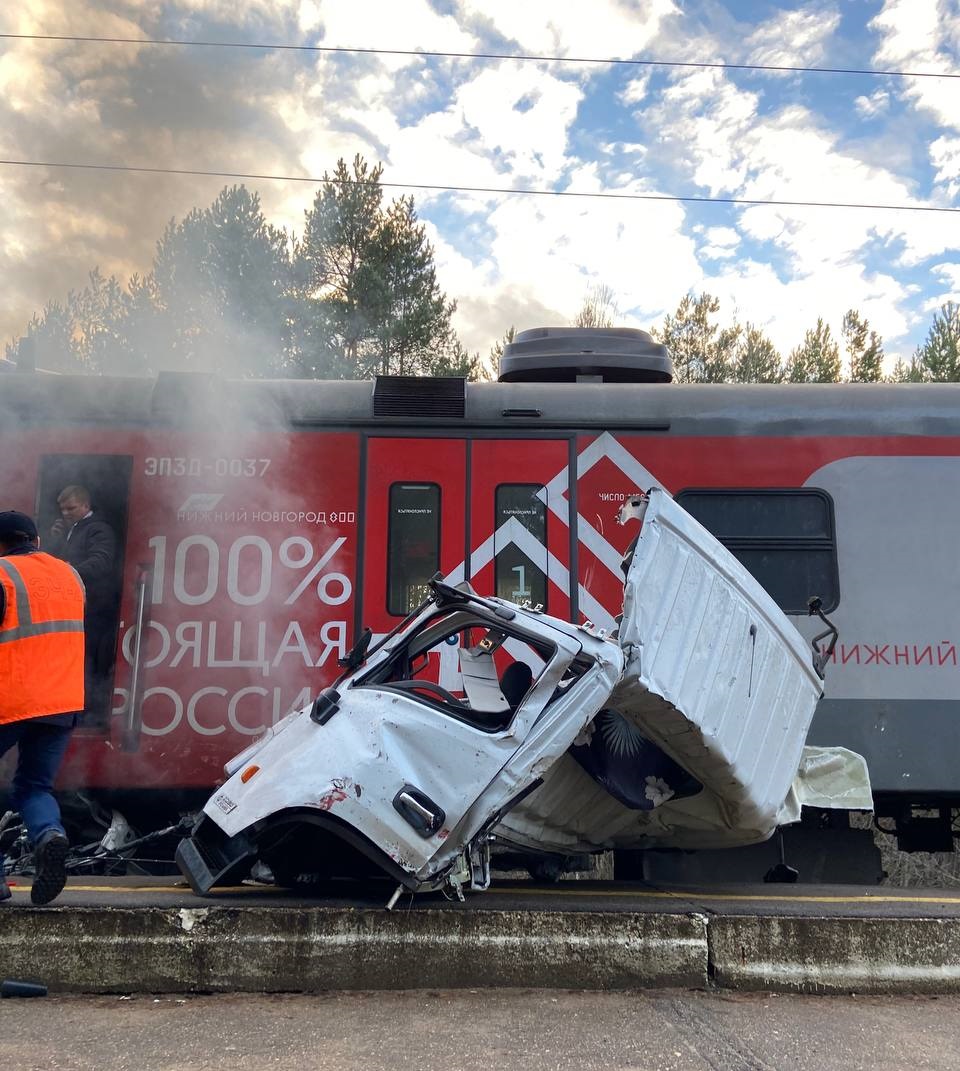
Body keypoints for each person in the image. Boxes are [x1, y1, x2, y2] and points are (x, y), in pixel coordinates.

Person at [0, 510, 85, 905]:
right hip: (61, 702)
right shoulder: (70, 575)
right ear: (35, 541)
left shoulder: (2, 574)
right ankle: (49, 835)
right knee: (34, 786)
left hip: (11, 698)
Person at [48, 485, 118, 717]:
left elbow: (101, 561)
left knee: (87, 661)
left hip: (95, 608)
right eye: (62, 509)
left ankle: (87, 713)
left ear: (86, 506)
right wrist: (55, 538)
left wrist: (69, 573)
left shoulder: (99, 529)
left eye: (71, 508)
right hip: (78, 607)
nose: (66, 513)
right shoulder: (73, 529)